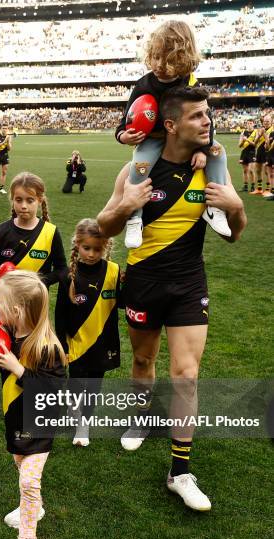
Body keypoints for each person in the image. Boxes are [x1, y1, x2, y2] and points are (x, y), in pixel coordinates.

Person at [97, 86, 247, 512]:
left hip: (188, 283)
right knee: (144, 360)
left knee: (186, 373)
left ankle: (179, 471)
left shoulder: (212, 168)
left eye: (207, 115)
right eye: (198, 116)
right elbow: (104, 228)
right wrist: (126, 205)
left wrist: (234, 206)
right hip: (143, 280)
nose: (207, 122)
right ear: (171, 125)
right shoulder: (137, 171)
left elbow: (236, 233)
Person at [0, 270, 66, 539]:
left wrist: (19, 369)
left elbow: (55, 394)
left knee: (28, 482)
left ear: (16, 311)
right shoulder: (10, 337)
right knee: (20, 468)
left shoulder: (47, 348)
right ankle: (35, 507)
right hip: (14, 421)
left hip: (40, 425)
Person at [115, 20, 230, 249]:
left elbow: (207, 120)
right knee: (139, 164)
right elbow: (124, 122)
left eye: (166, 59)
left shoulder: (190, 82)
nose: (158, 64)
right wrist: (124, 137)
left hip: (186, 140)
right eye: (155, 57)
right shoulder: (143, 84)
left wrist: (203, 149)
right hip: (156, 139)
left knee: (219, 152)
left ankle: (215, 209)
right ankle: (135, 217)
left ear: (182, 58)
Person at [55, 218, 121, 446]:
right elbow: (60, 314)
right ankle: (74, 410)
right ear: (77, 246)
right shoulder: (67, 275)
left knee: (94, 386)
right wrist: (62, 346)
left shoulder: (113, 271)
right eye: (87, 248)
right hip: (76, 342)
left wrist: (129, 284)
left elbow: (121, 304)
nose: (92, 254)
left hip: (104, 343)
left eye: (97, 249)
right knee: (76, 382)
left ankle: (84, 425)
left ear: (106, 247)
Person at [0, 172, 67, 295]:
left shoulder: (51, 232)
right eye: (18, 200)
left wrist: (39, 282)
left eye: (30, 201)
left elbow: (62, 269)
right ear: (13, 200)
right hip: (6, 306)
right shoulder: (0, 231)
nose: (23, 206)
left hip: (36, 304)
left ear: (39, 201)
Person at [238, 118, 256, 192]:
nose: (249, 125)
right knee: (245, 171)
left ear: (253, 124)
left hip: (252, 153)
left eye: (250, 123)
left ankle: (252, 187)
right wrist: (242, 140)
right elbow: (239, 145)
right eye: (248, 123)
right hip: (244, 153)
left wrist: (247, 140)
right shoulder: (243, 132)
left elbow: (255, 144)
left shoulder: (256, 132)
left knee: (251, 170)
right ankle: (245, 186)